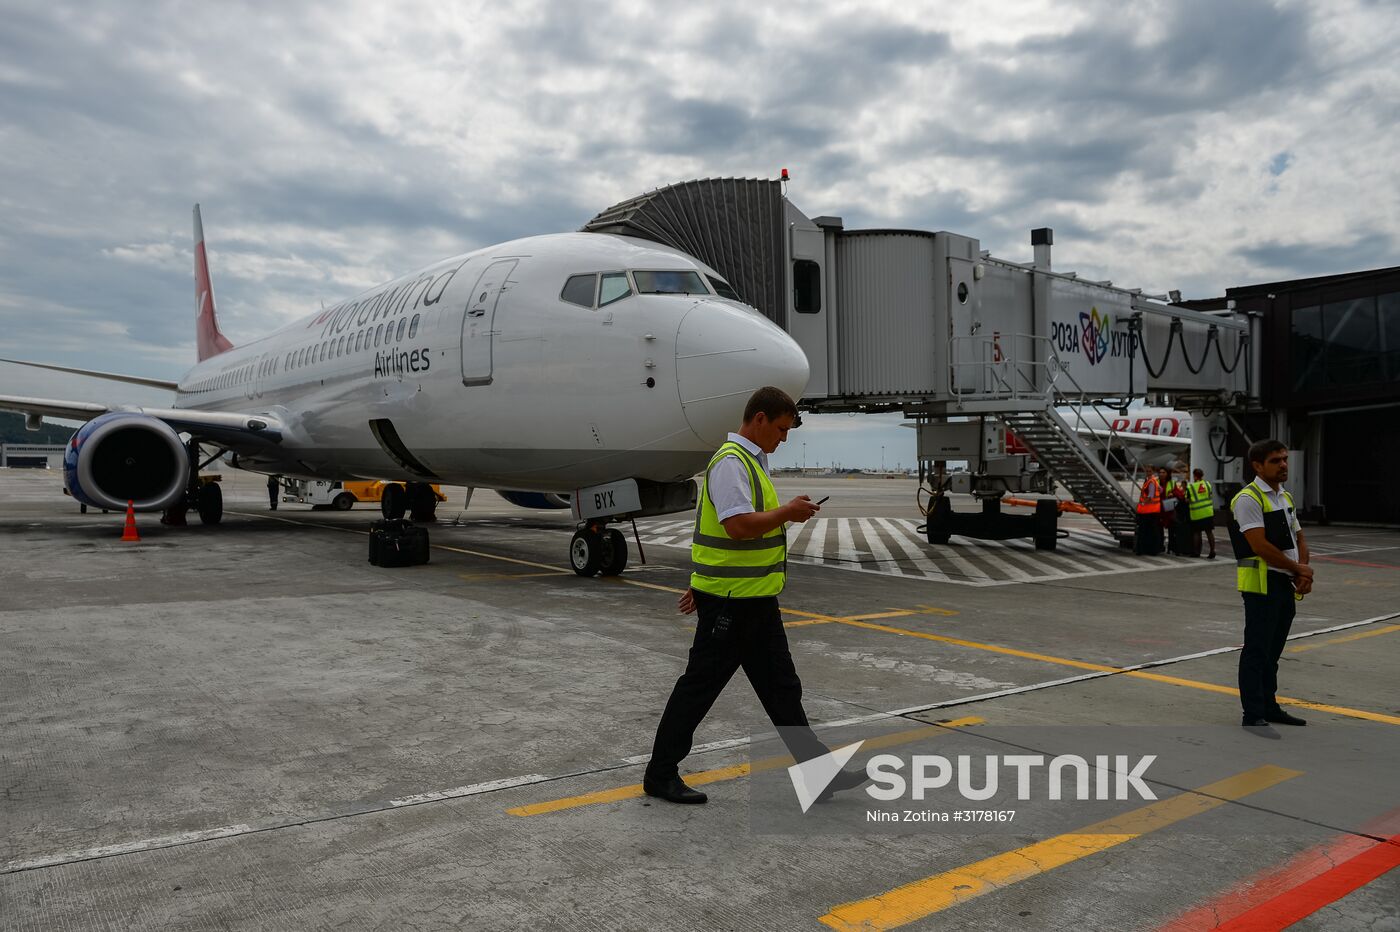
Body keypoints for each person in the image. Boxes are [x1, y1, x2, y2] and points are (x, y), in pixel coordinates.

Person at [643, 386, 864, 805]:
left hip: (755, 602)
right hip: (730, 605)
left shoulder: (751, 463)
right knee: (698, 689)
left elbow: (721, 536)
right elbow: (738, 526)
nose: (783, 439)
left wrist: (700, 580)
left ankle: (818, 776)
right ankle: (659, 774)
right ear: (759, 419)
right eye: (780, 430)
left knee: (783, 689)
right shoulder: (731, 463)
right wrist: (787, 513)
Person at [1231, 440, 1312, 730]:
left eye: (1285, 460)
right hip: (1260, 583)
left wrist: (1303, 571)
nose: (1283, 465)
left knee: (1273, 649)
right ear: (1257, 465)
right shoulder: (1248, 498)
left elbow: (1298, 538)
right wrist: (1298, 569)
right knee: (1257, 649)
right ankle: (1252, 713)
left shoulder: (1284, 497)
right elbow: (1259, 545)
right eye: (1276, 460)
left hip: (1283, 580)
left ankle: (1269, 705)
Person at [1186, 468, 1217, 559]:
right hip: (1208, 512)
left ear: (1195, 476)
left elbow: (1187, 500)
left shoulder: (1190, 487)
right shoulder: (1207, 484)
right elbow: (1210, 495)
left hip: (1197, 513)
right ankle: (1212, 551)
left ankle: (1196, 552)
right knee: (1209, 532)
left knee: (1197, 533)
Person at [1134, 466, 1163, 555]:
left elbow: (1150, 496)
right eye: (1147, 471)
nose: (1148, 472)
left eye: (1150, 471)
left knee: (1145, 531)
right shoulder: (1153, 481)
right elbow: (1161, 490)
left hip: (1149, 511)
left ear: (1153, 471)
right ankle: (1152, 550)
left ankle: (1144, 550)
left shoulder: (1151, 482)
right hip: (1152, 511)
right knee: (1151, 531)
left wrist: (1142, 503)